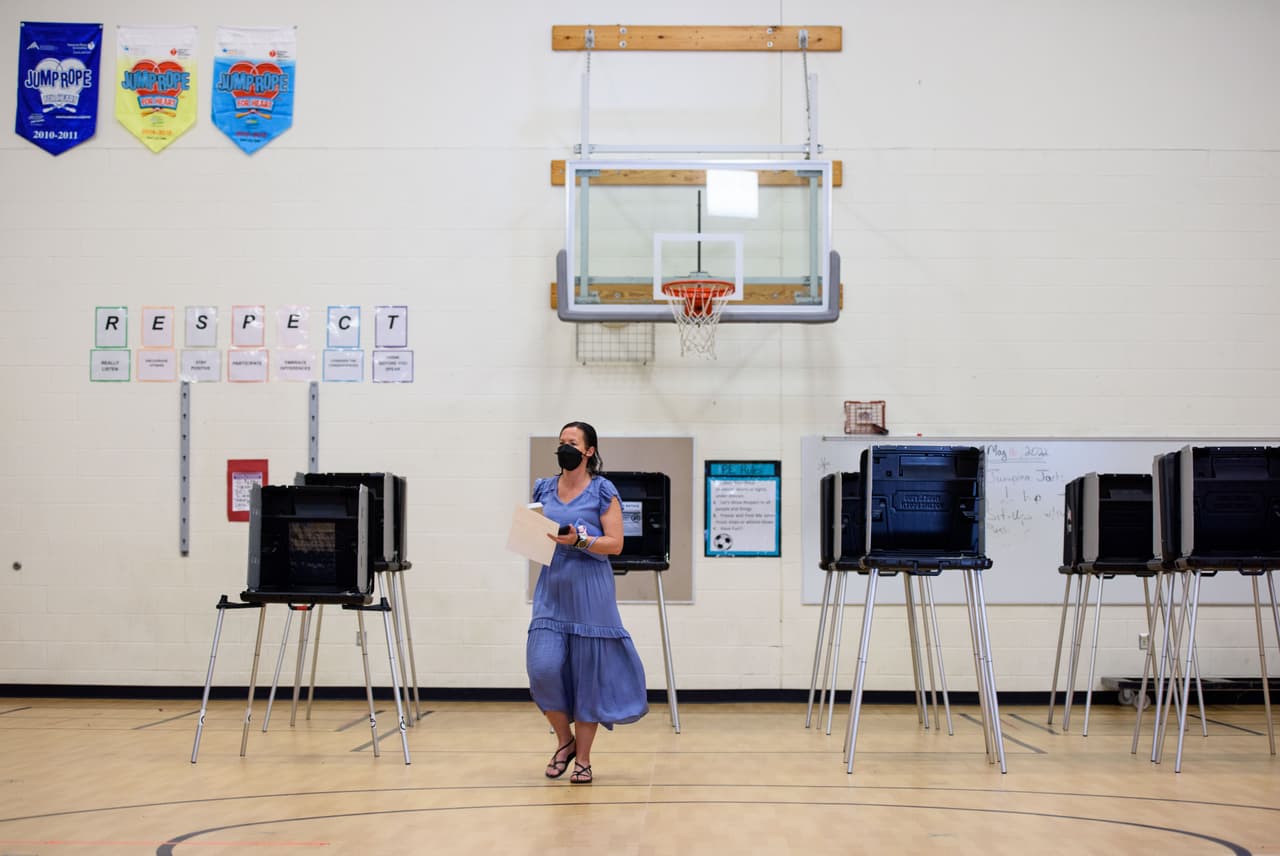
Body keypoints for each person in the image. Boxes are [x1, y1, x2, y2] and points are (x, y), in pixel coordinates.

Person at [526, 421, 648, 784]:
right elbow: (536, 535)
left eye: (573, 442)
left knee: (587, 679)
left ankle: (583, 759)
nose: (565, 447)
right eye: (561, 441)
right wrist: (530, 535)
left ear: (589, 451)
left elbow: (616, 544)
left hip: (591, 591)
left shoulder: (602, 490)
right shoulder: (543, 487)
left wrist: (580, 541)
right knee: (542, 668)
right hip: (552, 588)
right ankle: (565, 741)